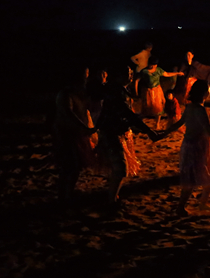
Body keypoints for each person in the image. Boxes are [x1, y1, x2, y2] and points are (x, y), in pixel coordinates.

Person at [95, 64, 162, 205]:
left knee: (118, 166)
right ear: (118, 76)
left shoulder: (117, 89)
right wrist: (148, 130)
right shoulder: (116, 91)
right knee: (120, 168)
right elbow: (127, 113)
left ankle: (113, 197)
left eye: (131, 73)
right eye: (128, 74)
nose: (131, 76)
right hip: (112, 131)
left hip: (113, 130)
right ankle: (111, 200)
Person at [165, 80, 210, 216]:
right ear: (204, 93)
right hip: (200, 145)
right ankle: (183, 207)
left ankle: (201, 204)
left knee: (204, 176)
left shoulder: (190, 107)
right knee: (200, 176)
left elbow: (180, 123)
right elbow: (208, 130)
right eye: (208, 89)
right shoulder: (200, 110)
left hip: (189, 144)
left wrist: (164, 132)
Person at [53, 66, 99, 203]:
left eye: (87, 74)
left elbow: (88, 108)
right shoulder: (65, 94)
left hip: (79, 133)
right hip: (67, 134)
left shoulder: (82, 91)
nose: (87, 77)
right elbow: (69, 113)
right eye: (85, 74)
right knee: (69, 166)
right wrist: (84, 127)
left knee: (76, 166)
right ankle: (63, 197)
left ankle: (68, 194)